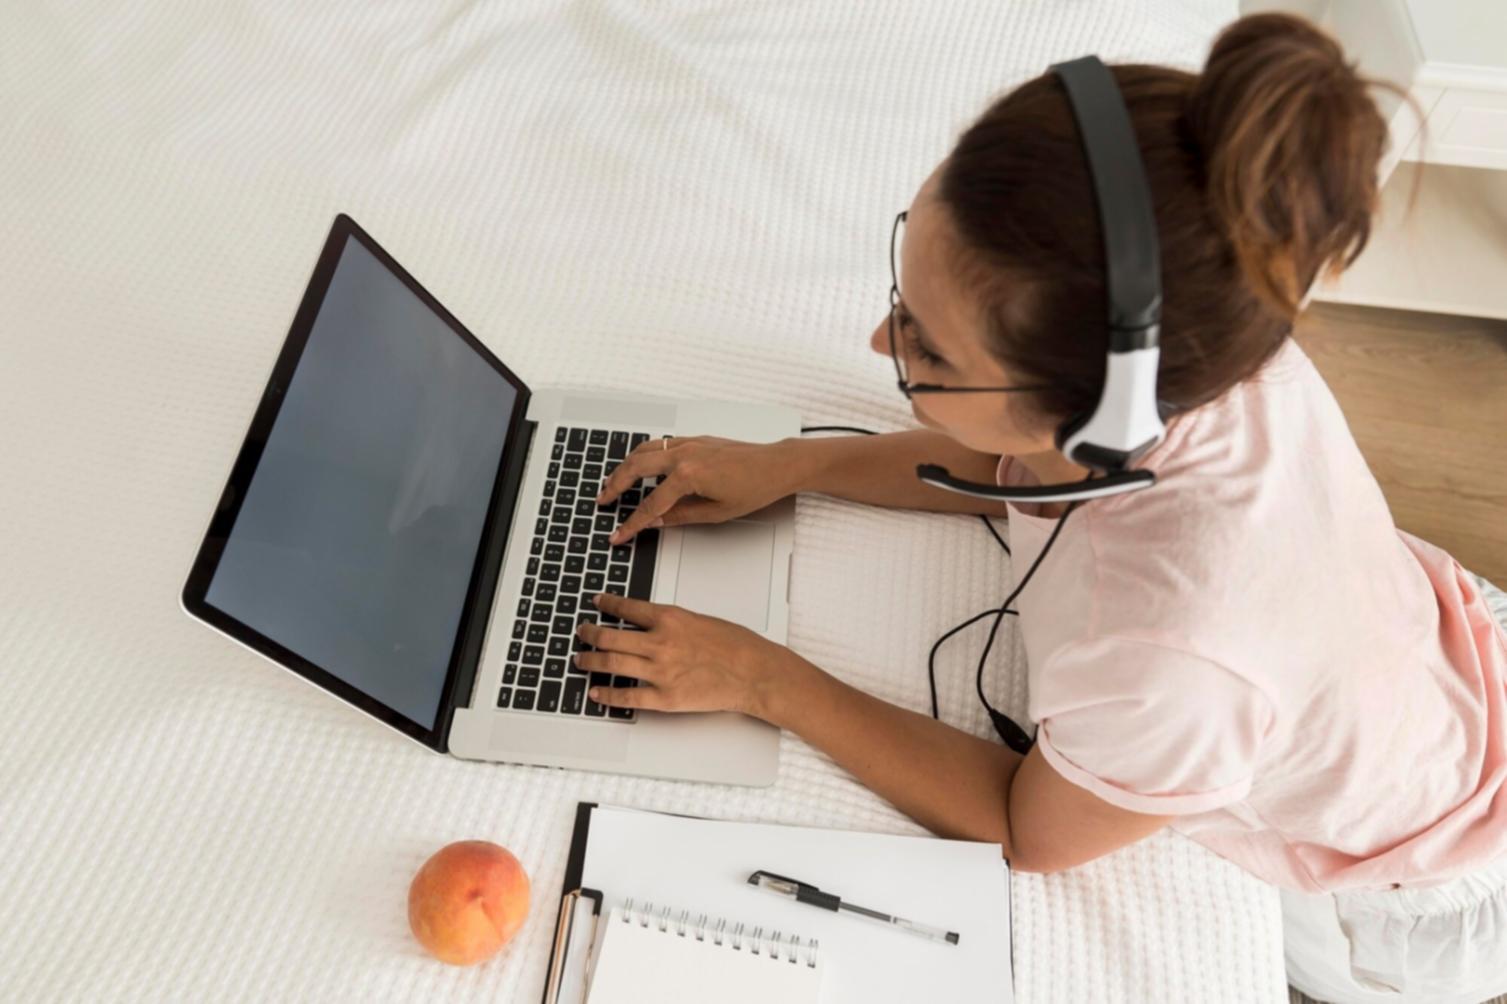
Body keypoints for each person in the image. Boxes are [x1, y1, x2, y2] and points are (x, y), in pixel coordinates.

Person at [570, 13, 1507, 1003]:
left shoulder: (1179, 657)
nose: (880, 340)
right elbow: (998, 450)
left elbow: (1030, 830)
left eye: (930, 348)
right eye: (905, 294)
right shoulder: (1206, 336)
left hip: (1419, 863)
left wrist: (761, 677)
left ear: (1090, 405)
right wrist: (792, 467)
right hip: (1436, 658)